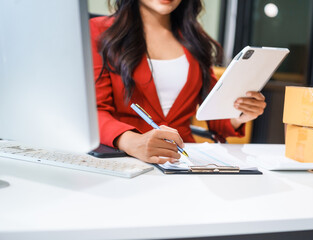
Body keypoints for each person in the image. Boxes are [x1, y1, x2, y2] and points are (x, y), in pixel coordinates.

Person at [90, 0, 266, 164]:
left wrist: (241, 114)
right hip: (125, 159)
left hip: (185, 161)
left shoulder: (195, 40)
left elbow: (214, 115)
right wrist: (130, 141)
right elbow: (94, 111)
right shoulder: (99, 31)